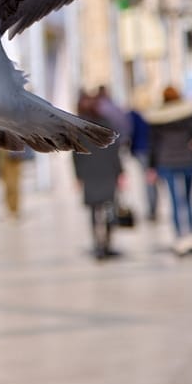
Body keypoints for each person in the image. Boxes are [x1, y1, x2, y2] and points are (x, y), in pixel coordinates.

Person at [145, 86, 192, 256]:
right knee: (189, 199)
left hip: (167, 161)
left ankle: (180, 238)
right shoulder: (187, 114)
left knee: (175, 201)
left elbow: (153, 145)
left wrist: (151, 166)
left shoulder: (158, 118)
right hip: (187, 159)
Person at [72, 91, 124, 260]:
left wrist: (78, 175)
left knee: (94, 211)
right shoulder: (106, 124)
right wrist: (120, 171)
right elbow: (115, 150)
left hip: (90, 172)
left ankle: (98, 244)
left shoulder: (80, 128)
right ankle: (107, 243)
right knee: (109, 207)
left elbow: (76, 154)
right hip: (107, 170)